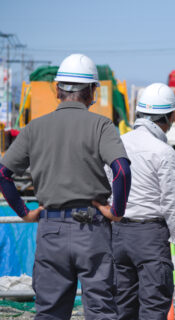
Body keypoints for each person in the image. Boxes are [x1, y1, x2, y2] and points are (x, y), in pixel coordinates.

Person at [0, 53, 131, 319]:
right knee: (101, 311)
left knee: (50, 312)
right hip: (92, 229)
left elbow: (3, 173)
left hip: (51, 230)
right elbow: (121, 170)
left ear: (57, 89)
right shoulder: (102, 126)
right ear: (92, 91)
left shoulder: (34, 128)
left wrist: (23, 211)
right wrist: (116, 210)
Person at [111, 83, 175, 320]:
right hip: (150, 236)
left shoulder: (117, 144)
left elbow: (107, 190)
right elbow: (173, 200)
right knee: (154, 305)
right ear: (168, 117)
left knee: (122, 305)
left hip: (118, 234)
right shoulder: (164, 151)